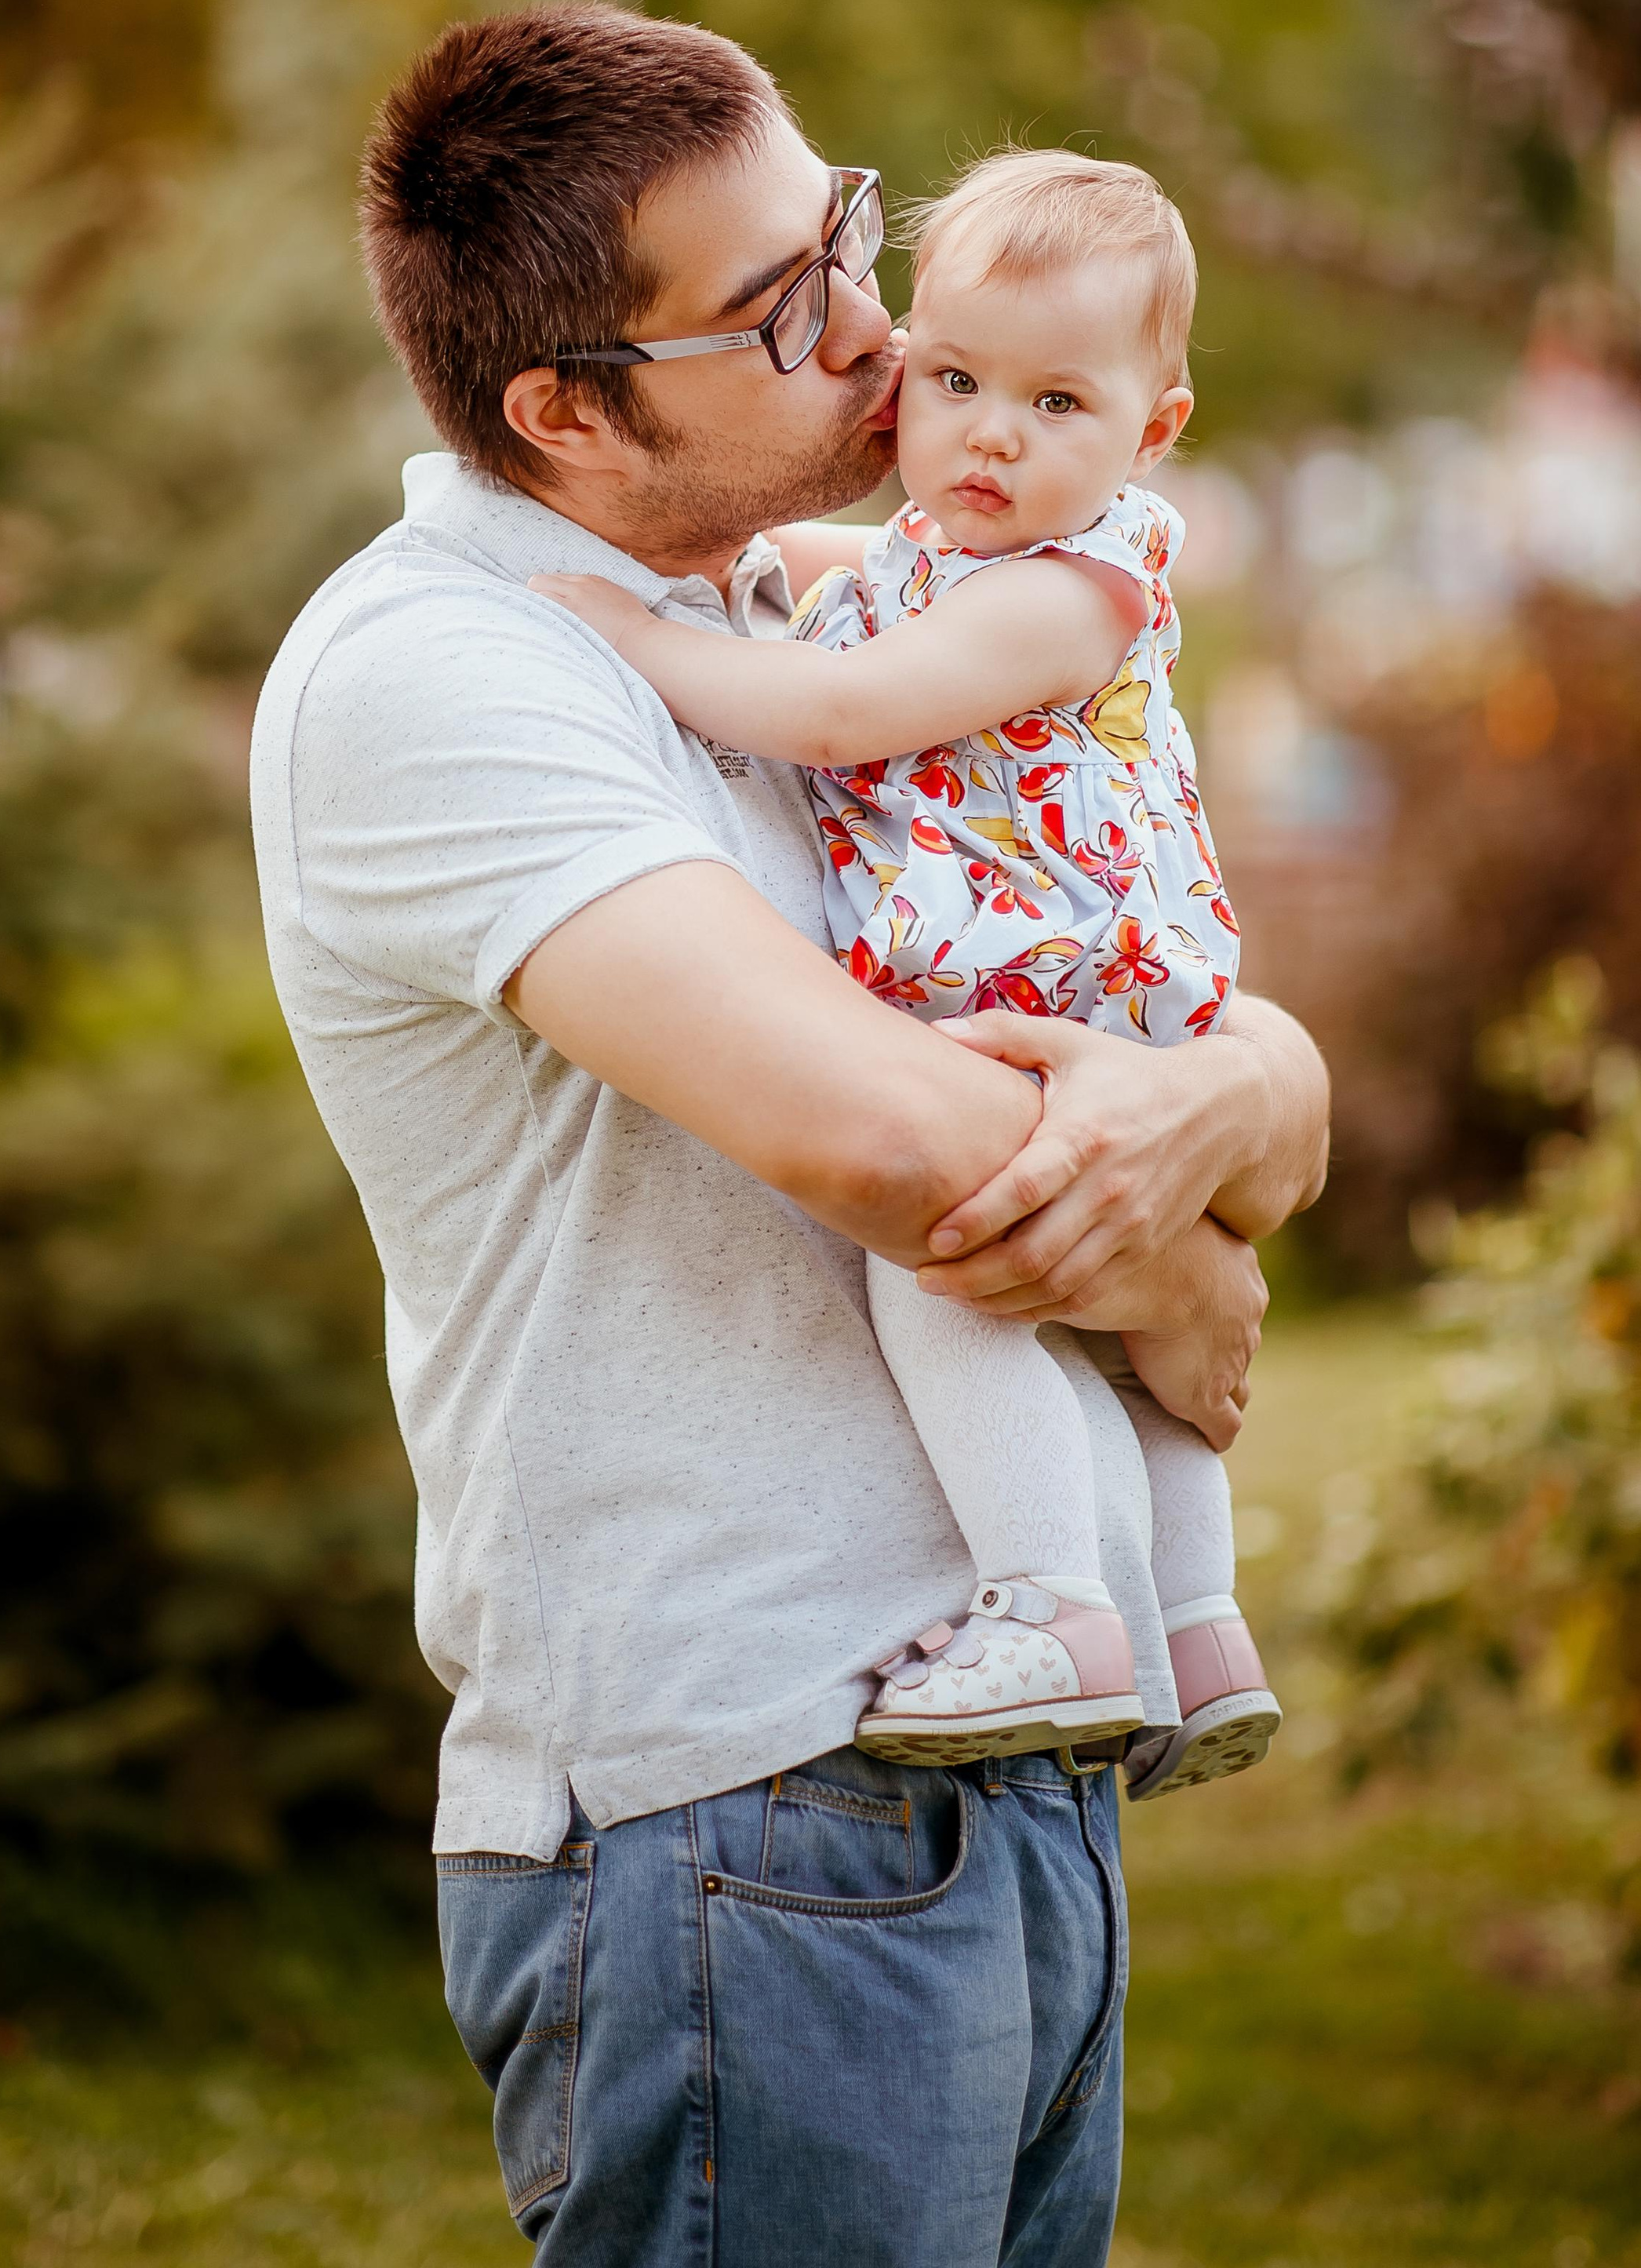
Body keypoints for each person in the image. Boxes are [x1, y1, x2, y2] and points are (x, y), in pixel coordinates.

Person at [250, 4, 1330, 2268]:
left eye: (845, 230)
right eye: (777, 306)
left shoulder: (807, 602)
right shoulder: (457, 670)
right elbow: (894, 1142)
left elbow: (1171, 1021)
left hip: (1009, 1756)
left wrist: (1244, 1090)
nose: (872, 333)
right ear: (563, 402)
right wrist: (1203, 1255)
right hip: (738, 1800)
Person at [530, 147, 1275, 1800]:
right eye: (952, 378)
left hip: (1034, 978)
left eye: (1055, 402)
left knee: (940, 1275)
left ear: (1151, 431)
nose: (988, 432)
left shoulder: (1072, 594)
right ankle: (1198, 1630)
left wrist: (640, 635)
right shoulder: (954, 554)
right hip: (1080, 980)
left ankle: (1055, 1605)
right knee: (1097, 1328)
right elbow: (840, 575)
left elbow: (843, 710)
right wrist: (762, 566)